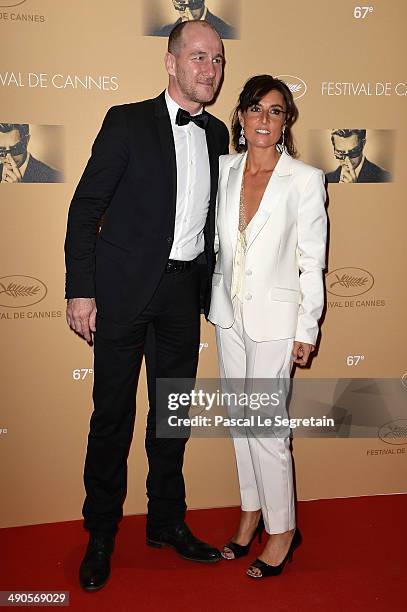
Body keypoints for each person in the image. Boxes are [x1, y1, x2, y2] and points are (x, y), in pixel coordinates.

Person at [64, 20, 229, 591]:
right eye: (199, 57)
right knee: (112, 417)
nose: (209, 70)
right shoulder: (126, 121)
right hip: (123, 292)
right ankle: (102, 531)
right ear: (170, 62)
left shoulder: (216, 135)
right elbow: (85, 210)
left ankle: (166, 522)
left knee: (172, 419)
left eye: (217, 59)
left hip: (183, 297)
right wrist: (80, 289)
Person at [208, 75, 327, 579]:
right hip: (227, 312)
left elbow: (311, 260)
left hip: (277, 319)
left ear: (285, 122)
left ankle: (282, 529)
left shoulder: (304, 178)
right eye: (256, 109)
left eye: (275, 111)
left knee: (266, 426)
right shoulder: (225, 168)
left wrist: (308, 326)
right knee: (241, 422)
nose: (264, 119)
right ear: (241, 116)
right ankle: (251, 510)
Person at [326, 129, 391, 183]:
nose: (347, 161)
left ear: (363, 144)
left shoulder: (385, 178)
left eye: (353, 152)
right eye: (340, 153)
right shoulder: (327, 179)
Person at [151, 0, 236, 39]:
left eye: (193, 2)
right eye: (181, 3)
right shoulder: (164, 32)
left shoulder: (227, 32)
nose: (187, 10)